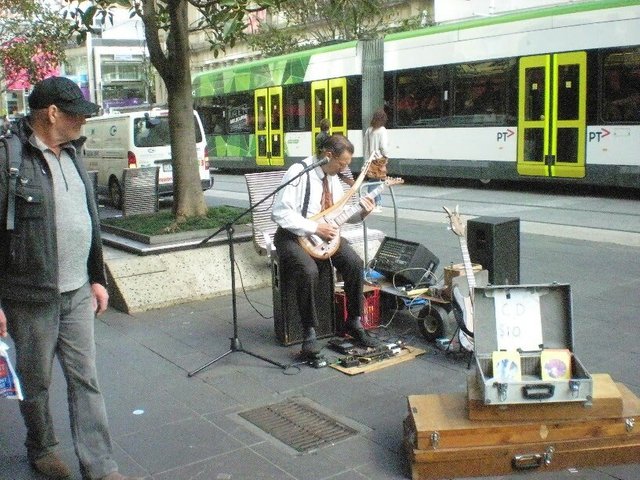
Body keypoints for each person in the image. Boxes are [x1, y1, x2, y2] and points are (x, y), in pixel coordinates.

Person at [0, 77, 141, 480]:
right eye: (77, 113)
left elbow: (90, 223)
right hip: (30, 296)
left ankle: (101, 467)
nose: (83, 120)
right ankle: (41, 447)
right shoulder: (9, 158)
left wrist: (97, 278)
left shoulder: (74, 154)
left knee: (86, 381)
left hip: (78, 290)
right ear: (53, 113)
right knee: (36, 381)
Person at [271, 134, 382, 357]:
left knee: (354, 263)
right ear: (327, 155)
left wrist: (362, 213)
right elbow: (280, 212)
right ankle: (309, 332)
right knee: (309, 270)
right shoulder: (298, 172)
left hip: (324, 237)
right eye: (342, 163)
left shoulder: (332, 177)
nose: (344, 169)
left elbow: (340, 214)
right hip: (292, 235)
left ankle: (354, 321)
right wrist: (314, 228)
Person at [363, 108, 390, 212]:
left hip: (370, 159)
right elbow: (383, 146)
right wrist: (386, 156)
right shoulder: (382, 130)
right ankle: (375, 203)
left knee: (373, 181)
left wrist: (366, 160)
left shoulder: (369, 130)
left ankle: (376, 202)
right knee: (376, 182)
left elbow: (365, 146)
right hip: (379, 159)